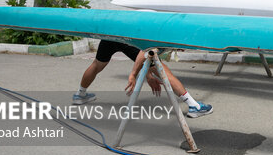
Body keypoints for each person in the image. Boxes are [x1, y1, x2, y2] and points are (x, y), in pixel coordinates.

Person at [73, 40, 213, 118]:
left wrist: (148, 75)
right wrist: (133, 74)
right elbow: (143, 53)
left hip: (113, 36)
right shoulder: (164, 36)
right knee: (165, 73)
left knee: (97, 64)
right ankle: (194, 106)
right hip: (131, 42)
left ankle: (80, 94)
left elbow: (145, 55)